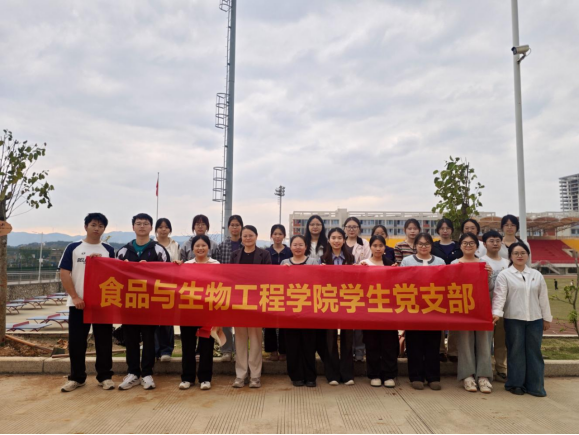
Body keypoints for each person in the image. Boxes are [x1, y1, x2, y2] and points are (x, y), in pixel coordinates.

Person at [59, 213, 116, 393]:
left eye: (100, 226)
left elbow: (114, 274)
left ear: (104, 229)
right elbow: (64, 273)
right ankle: (77, 378)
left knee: (104, 342)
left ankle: (105, 376)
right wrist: (75, 296)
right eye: (93, 225)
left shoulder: (108, 250)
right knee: (77, 342)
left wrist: (101, 263)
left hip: (102, 305)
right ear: (85, 226)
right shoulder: (74, 247)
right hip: (78, 304)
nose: (97, 228)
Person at [116, 213, 170, 391]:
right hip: (129, 302)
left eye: (145, 223)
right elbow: (114, 276)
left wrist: (151, 270)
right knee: (130, 338)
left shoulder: (159, 250)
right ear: (133, 227)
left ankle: (147, 373)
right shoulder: (123, 251)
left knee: (149, 339)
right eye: (138, 223)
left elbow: (168, 275)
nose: (141, 226)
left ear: (151, 227)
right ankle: (132, 373)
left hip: (150, 303)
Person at [492, 242, 552, 397]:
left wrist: (546, 318)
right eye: (516, 253)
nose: (519, 256)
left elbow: (543, 298)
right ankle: (515, 384)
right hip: (514, 319)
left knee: (534, 352)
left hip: (535, 320)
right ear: (510, 256)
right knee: (515, 351)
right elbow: (500, 295)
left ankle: (535, 386)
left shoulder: (536, 275)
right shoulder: (505, 275)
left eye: (523, 253)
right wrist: (496, 313)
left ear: (528, 255)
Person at [401, 233, 446, 391]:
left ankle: (433, 377)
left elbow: (445, 283)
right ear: (415, 246)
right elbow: (402, 282)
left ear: (431, 245)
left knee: (433, 343)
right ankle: (416, 376)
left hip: (433, 308)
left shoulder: (440, 262)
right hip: (413, 308)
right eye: (420, 244)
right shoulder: (407, 261)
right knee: (414, 343)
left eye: (426, 244)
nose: (423, 247)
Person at [175, 235, 220, 391]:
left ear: (209, 247)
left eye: (203, 245)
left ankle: (205, 378)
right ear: (192, 248)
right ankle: (187, 378)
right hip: (188, 310)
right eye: (197, 246)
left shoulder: (216, 264)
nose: (200, 248)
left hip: (208, 311)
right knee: (187, 345)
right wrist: (176, 266)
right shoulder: (186, 265)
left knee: (206, 345)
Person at [452, 233, 495, 394]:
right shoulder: (454, 264)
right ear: (460, 245)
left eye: (471, 243)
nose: (468, 246)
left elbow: (491, 288)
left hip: (482, 308)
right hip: (463, 308)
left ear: (477, 246)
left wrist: (489, 276)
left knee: (484, 342)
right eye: (465, 243)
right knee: (464, 342)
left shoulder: (484, 264)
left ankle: (483, 376)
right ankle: (467, 376)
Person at [230, 225, 272, 389]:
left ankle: (255, 375)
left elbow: (268, 276)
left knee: (255, 339)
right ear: (241, 237)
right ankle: (240, 375)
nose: (247, 238)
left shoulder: (264, 254)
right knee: (240, 339)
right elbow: (230, 277)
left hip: (257, 301)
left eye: (250, 235)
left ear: (256, 236)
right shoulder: (235, 255)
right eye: (245, 236)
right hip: (239, 301)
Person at [281, 235, 321, 388]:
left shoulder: (313, 262)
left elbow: (318, 281)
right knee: (292, 344)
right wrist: (282, 272)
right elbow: (279, 284)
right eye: (295, 244)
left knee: (309, 344)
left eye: (301, 245)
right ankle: (296, 375)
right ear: (290, 247)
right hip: (290, 309)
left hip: (308, 309)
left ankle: (310, 376)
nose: (298, 247)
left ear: (306, 247)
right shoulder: (284, 263)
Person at [360, 235, 399, 388]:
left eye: (381, 246)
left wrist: (396, 272)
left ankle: (389, 374)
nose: (378, 248)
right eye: (375, 245)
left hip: (388, 311)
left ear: (385, 247)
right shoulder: (363, 264)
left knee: (389, 343)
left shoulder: (391, 265)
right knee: (372, 343)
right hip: (369, 310)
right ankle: (374, 374)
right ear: (370, 247)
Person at [322, 228, 356, 386]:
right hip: (328, 301)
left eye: (339, 238)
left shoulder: (351, 258)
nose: (336, 240)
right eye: (333, 237)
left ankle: (347, 374)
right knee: (330, 338)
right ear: (329, 240)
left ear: (344, 240)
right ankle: (332, 375)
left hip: (347, 300)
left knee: (348, 338)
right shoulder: (323, 258)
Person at [212, 215, 244, 362]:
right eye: (232, 225)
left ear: (241, 227)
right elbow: (216, 266)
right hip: (225, 287)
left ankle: (239, 351)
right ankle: (226, 350)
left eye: (237, 225)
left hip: (243, 288)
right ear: (228, 227)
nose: (235, 228)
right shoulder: (222, 246)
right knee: (225, 321)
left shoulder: (246, 245)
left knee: (240, 322)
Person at [481, 230, 510, 384]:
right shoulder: (480, 261)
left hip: (504, 307)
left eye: (498, 240)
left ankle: (501, 369)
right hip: (485, 307)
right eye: (491, 241)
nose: (495, 243)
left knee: (501, 340)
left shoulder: (507, 262)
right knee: (485, 342)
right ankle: (485, 370)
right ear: (484, 244)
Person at [432, 218, 462, 363]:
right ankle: (440, 350)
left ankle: (453, 350)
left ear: (452, 230)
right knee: (438, 317)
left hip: (456, 287)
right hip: (437, 287)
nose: (445, 231)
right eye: (442, 228)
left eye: (448, 228)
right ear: (438, 230)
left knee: (455, 318)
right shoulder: (433, 246)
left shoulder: (459, 246)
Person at [344, 217, 372, 362]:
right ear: (344, 228)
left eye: (354, 227)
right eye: (349, 227)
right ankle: (347, 352)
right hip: (342, 287)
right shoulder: (340, 242)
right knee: (347, 322)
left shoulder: (364, 244)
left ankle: (360, 352)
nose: (352, 229)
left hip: (360, 286)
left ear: (359, 229)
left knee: (359, 321)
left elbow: (367, 262)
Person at [304, 215, 329, 363]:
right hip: (305, 287)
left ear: (322, 226)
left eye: (318, 224)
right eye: (312, 224)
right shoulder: (302, 242)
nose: (315, 227)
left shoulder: (327, 243)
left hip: (322, 286)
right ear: (308, 226)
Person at [265, 224, 291, 362]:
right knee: (269, 321)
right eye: (275, 234)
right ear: (271, 236)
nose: (277, 236)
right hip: (268, 290)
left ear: (284, 236)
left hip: (287, 290)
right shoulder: (266, 252)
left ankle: (284, 350)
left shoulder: (289, 252)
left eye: (280, 234)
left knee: (284, 321)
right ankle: (272, 351)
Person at [154, 218, 179, 363]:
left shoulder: (175, 245)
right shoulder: (151, 244)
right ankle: (155, 349)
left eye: (166, 227)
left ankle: (166, 350)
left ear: (170, 229)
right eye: (160, 227)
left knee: (167, 319)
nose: (163, 229)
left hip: (170, 285)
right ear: (156, 229)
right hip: (152, 286)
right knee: (153, 319)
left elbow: (179, 264)